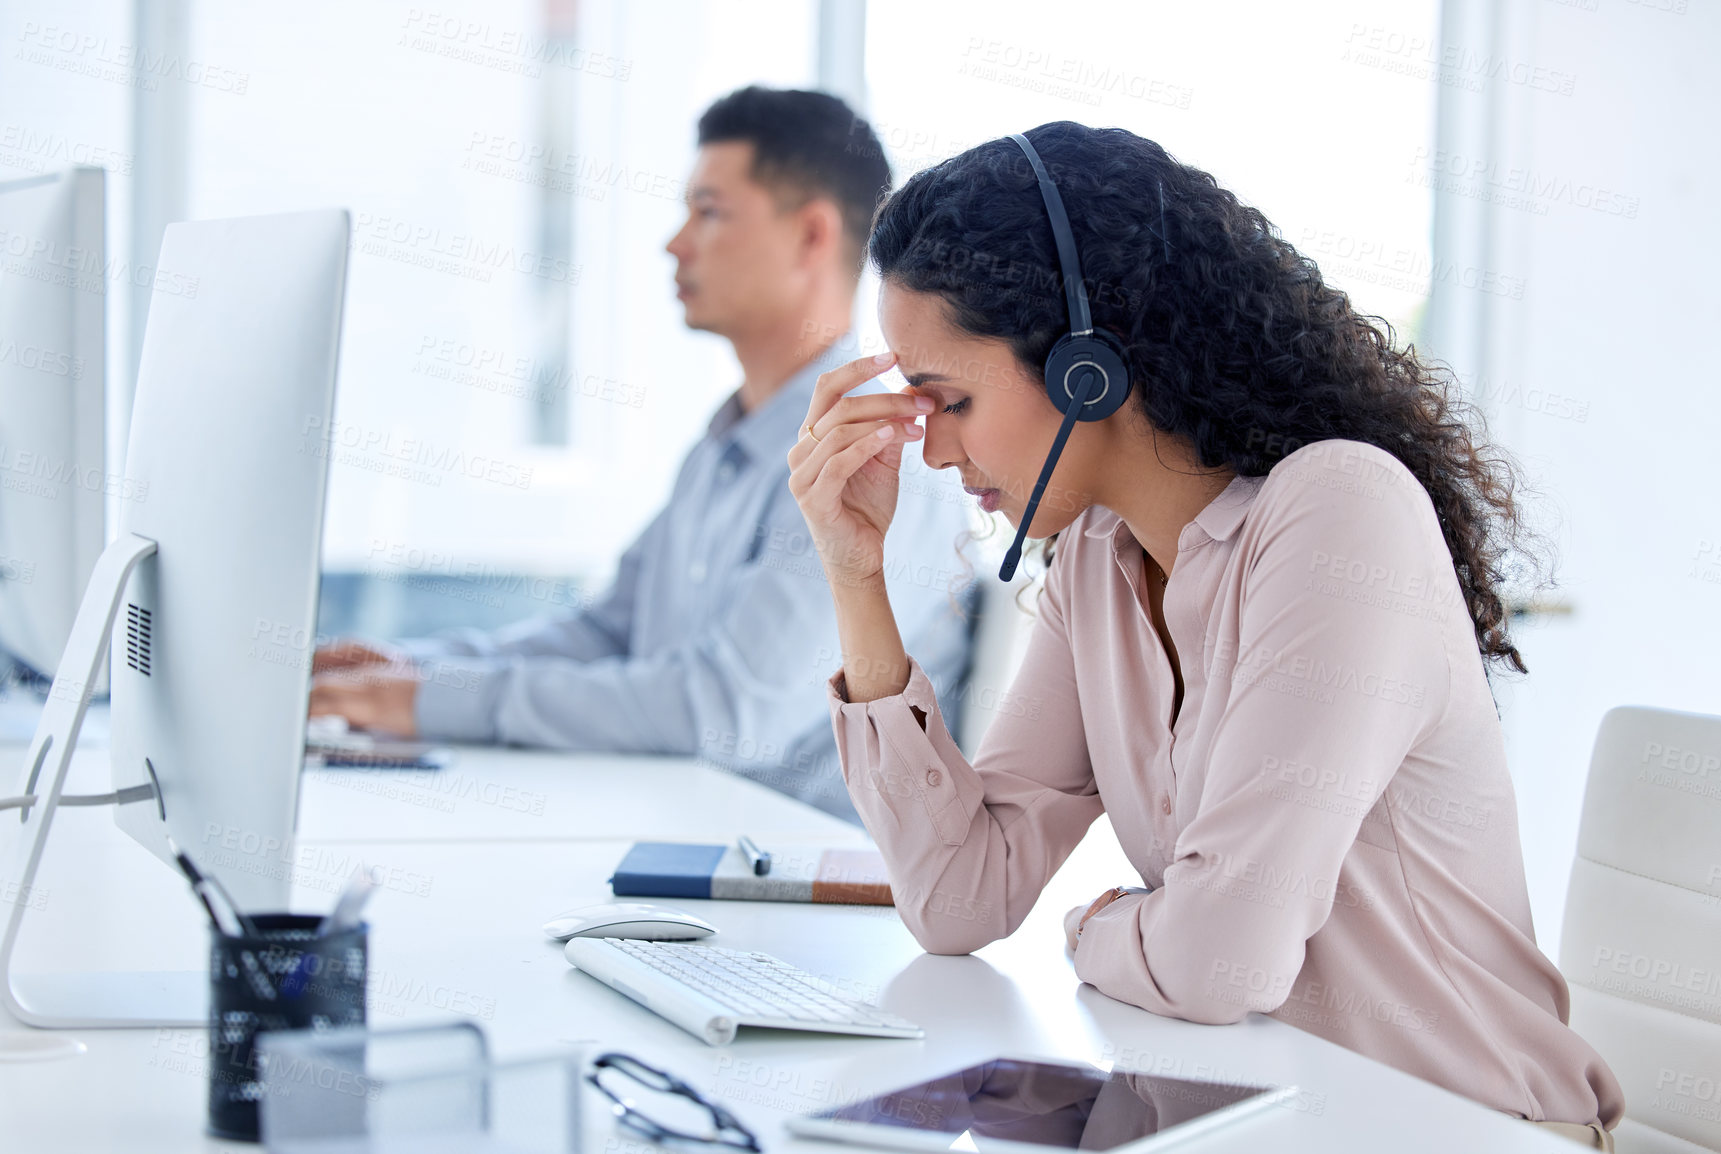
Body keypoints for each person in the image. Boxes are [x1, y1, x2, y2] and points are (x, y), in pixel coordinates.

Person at [787, 121, 1623, 1147]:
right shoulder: (1098, 556)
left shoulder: (1338, 511)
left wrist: (1094, 925)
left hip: (1464, 1127)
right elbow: (960, 896)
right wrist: (854, 572)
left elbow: (1223, 960)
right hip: (1256, 1113)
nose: (934, 450)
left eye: (952, 400)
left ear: (1087, 365)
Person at [309, 87, 976, 821]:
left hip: (787, 872)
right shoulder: (726, 444)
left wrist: (430, 702)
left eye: (709, 211)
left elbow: (725, 714)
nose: (675, 242)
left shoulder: (875, 453)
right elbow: (607, 635)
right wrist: (416, 669)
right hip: (680, 826)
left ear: (812, 235)